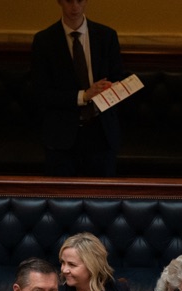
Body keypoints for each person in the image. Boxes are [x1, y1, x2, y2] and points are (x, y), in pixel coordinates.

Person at [32, 0, 124, 176]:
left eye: (80, 1)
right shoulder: (44, 40)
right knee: (62, 198)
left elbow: (118, 77)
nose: (74, 7)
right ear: (60, 2)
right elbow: (41, 94)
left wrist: (110, 89)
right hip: (62, 132)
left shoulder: (107, 36)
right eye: (69, 1)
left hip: (101, 128)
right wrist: (84, 96)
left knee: (102, 197)